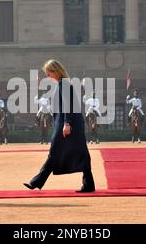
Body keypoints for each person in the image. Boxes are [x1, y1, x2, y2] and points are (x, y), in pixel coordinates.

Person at [23, 59, 95, 193]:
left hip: (68, 124)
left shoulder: (64, 85)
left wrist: (67, 123)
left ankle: (36, 181)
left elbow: (68, 106)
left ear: (55, 71)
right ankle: (88, 184)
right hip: (68, 123)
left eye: (48, 73)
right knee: (80, 152)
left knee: (56, 151)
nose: (47, 76)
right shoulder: (62, 84)